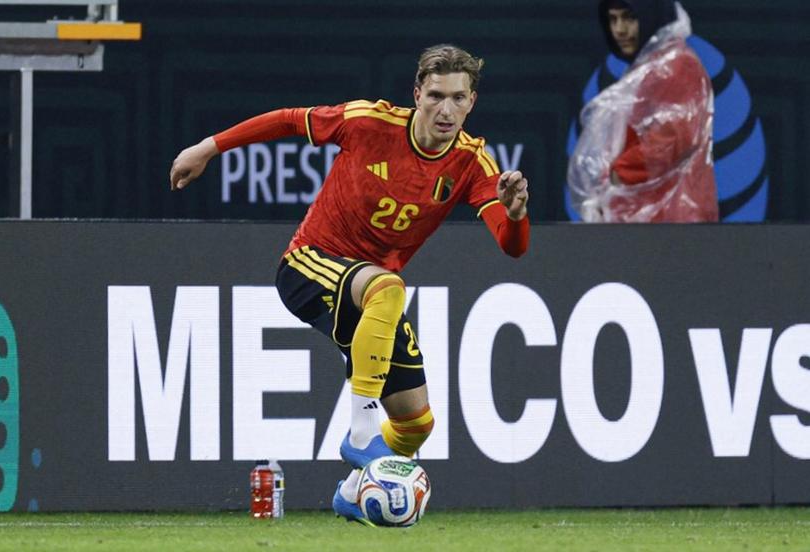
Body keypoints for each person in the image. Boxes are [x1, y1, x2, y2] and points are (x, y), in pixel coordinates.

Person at [170, 44, 530, 524]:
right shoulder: (369, 123)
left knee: (415, 424)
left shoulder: (473, 163)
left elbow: (511, 246)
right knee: (387, 289)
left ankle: (352, 491)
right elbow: (287, 120)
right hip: (308, 266)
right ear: (417, 94)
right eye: (437, 96)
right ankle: (361, 431)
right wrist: (208, 147)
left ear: (472, 102)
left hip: (373, 292)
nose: (446, 110)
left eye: (459, 99)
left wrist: (518, 212)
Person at [568, 0, 718, 222]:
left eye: (629, 17)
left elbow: (671, 140)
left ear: (650, 16)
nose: (619, 29)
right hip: (650, 224)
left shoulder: (678, 66)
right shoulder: (649, 69)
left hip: (677, 225)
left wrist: (616, 177)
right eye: (613, 19)